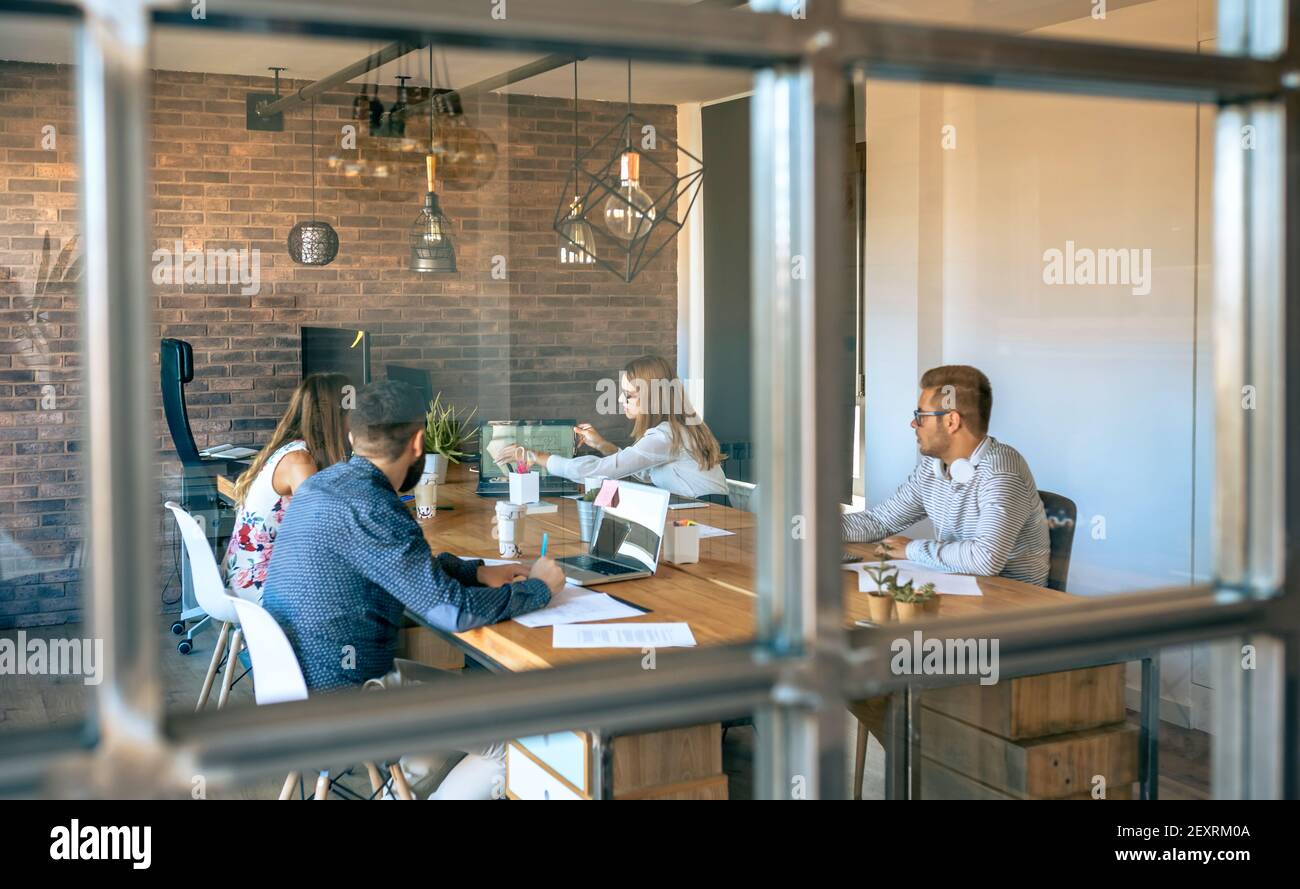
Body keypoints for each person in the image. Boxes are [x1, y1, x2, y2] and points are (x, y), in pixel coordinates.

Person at [262, 380, 563, 799]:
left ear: (352, 437)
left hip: (296, 686)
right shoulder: (373, 505)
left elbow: (393, 567)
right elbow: (452, 613)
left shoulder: (323, 485)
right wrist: (539, 588)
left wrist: (473, 572)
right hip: (351, 696)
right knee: (521, 736)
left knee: (459, 708)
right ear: (419, 441)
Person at [842, 365, 1050, 586]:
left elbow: (985, 558)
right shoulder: (933, 467)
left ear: (951, 421)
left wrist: (911, 549)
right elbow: (878, 522)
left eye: (920, 416)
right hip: (960, 588)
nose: (913, 424)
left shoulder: (1002, 472)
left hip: (1015, 604)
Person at [517, 355, 728, 499]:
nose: (620, 399)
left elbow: (599, 471)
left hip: (713, 517)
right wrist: (602, 445)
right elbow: (643, 472)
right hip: (704, 513)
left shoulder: (665, 436)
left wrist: (537, 457)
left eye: (628, 395)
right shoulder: (676, 429)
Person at [222, 372, 351, 602]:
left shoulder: (293, 450)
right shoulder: (299, 461)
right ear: (334, 417)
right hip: (260, 588)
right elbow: (321, 529)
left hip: (249, 578)